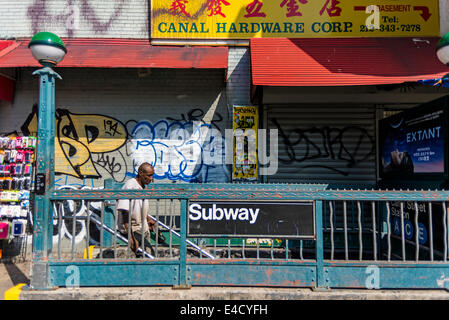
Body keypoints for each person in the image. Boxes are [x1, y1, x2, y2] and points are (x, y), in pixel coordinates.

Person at [116, 162, 165, 257]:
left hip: (143, 228)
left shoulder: (142, 187)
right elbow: (124, 212)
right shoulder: (130, 186)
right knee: (148, 256)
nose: (151, 178)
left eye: (152, 175)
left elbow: (138, 207)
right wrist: (131, 237)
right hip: (134, 229)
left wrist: (147, 219)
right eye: (149, 175)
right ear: (140, 173)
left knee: (146, 256)